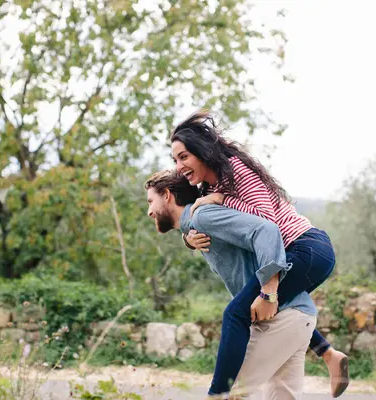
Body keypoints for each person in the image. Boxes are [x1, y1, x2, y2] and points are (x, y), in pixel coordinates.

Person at [169, 110, 349, 398]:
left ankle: (218, 394)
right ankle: (328, 354)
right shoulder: (212, 185)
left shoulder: (236, 170)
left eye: (184, 157)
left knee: (237, 313)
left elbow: (267, 224)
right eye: (175, 160)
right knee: (277, 307)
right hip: (302, 253)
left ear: (202, 152)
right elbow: (231, 230)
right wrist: (189, 239)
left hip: (306, 247)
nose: (179, 166)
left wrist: (221, 200)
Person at [145, 170, 318, 399]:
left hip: (280, 318)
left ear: (167, 195)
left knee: (228, 394)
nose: (149, 211)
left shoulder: (202, 216)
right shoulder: (197, 223)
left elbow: (267, 230)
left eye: (150, 201)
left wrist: (268, 294)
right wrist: (187, 238)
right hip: (299, 317)